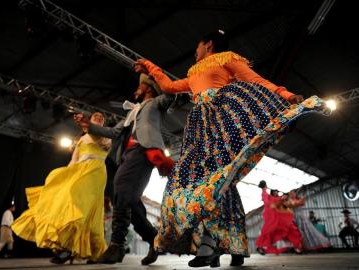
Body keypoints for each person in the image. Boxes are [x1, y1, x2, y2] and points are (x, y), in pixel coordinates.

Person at [134, 29, 328, 267]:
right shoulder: (194, 72)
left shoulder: (226, 58)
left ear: (208, 45)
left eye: (197, 47)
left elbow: (255, 80)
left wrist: (285, 95)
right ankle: (233, 246)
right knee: (216, 183)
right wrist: (150, 66)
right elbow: (170, 86)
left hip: (223, 121)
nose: (194, 52)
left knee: (219, 179)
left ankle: (209, 244)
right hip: (199, 127)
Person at [74, 73, 175, 265]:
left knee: (120, 189)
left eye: (139, 86)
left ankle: (117, 245)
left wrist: (151, 70)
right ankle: (154, 239)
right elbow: (113, 132)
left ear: (148, 88)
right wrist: (89, 126)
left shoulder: (156, 103)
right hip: (127, 155)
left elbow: (171, 94)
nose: (135, 90)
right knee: (128, 199)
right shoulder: (132, 111)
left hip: (143, 151)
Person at [11, 112, 110, 264]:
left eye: (101, 118)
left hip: (95, 173)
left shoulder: (105, 136)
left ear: (103, 123)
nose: (99, 117)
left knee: (86, 209)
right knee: (68, 202)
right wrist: (66, 174)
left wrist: (89, 127)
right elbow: (74, 159)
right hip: (79, 170)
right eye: (95, 116)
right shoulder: (81, 139)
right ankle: (67, 248)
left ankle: (90, 250)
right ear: (90, 119)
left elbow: (104, 146)